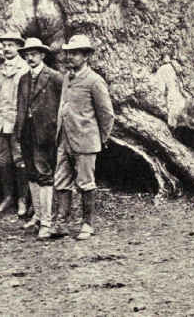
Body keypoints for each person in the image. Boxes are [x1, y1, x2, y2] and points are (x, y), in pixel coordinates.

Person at [54, 35, 114, 240]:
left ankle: (87, 224)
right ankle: (61, 223)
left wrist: (100, 139)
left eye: (76, 53)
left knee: (85, 183)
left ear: (86, 56)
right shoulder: (67, 78)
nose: (70, 57)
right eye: (69, 53)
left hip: (85, 141)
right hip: (65, 139)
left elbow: (107, 115)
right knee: (61, 181)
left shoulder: (94, 81)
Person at [13, 38, 63, 239]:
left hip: (45, 134)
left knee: (44, 174)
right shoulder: (23, 78)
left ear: (43, 55)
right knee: (31, 173)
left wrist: (56, 130)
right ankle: (38, 216)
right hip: (26, 132)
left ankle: (47, 222)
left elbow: (62, 107)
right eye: (27, 54)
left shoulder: (55, 77)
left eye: (34, 54)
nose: (30, 57)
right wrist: (18, 130)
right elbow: (20, 107)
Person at [0, 32, 29, 216]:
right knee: (2, 161)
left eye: (11, 45)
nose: (7, 49)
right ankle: (8, 197)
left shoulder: (25, 69)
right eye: (4, 45)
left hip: (17, 124)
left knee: (20, 160)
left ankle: (22, 199)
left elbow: (27, 100)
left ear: (19, 47)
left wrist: (23, 123)